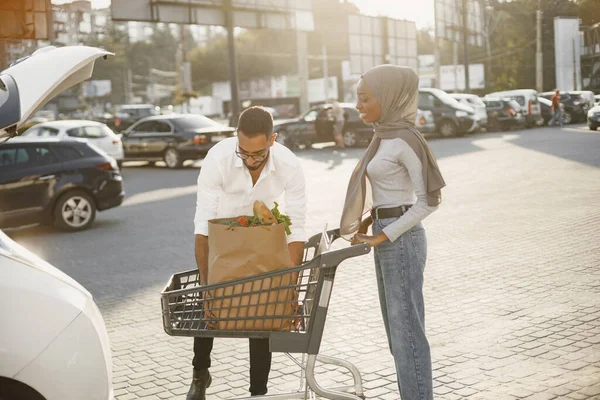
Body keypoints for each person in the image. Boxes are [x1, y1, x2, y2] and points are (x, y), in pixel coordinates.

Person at [340, 65, 445, 400]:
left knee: (407, 335)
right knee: (396, 334)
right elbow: (391, 195)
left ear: (386, 98)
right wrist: (371, 220)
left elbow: (429, 201)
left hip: (402, 241)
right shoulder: (383, 136)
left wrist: (385, 235)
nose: (358, 105)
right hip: (388, 233)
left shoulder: (405, 139)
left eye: (364, 98)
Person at [189, 106, 308, 399]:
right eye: (244, 152)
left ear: (273, 140)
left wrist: (290, 289)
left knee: (261, 314)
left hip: (262, 240)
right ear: (236, 139)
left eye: (258, 154)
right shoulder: (218, 159)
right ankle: (200, 374)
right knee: (210, 311)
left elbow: (297, 230)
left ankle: (258, 393)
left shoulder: (289, 165)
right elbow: (203, 226)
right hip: (222, 240)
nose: (251, 161)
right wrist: (206, 288)